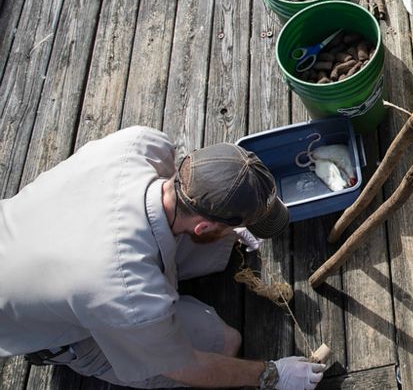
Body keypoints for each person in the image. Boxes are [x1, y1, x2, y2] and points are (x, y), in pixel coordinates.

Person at [0, 126, 326, 389]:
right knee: (224, 341)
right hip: (46, 322)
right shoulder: (128, 292)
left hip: (48, 238)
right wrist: (270, 375)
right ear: (202, 225)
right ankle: (58, 352)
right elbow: (186, 367)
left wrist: (228, 230)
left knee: (219, 247)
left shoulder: (141, 144)